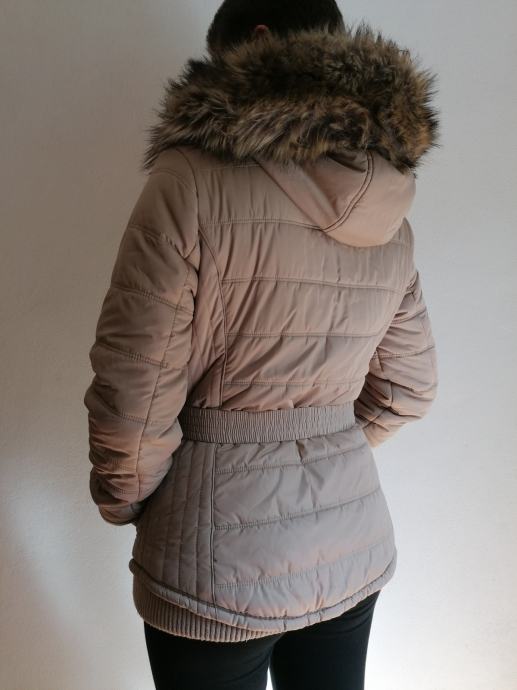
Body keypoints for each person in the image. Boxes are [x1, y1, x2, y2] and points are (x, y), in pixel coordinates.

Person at [83, 1, 440, 688]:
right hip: (350, 545)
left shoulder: (189, 182)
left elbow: (134, 397)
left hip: (213, 565)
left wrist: (127, 501)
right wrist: (324, 442)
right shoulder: (388, 207)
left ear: (258, 41)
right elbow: (409, 388)